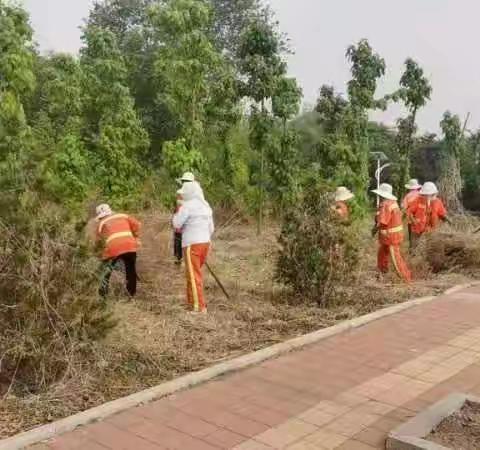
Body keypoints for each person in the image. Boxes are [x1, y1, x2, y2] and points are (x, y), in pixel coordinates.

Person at [172, 182, 214, 313]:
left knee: (194, 275)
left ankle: (198, 307)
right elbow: (211, 228)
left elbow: (176, 223)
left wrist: (178, 210)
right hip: (205, 243)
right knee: (192, 274)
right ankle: (191, 302)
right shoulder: (206, 206)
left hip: (192, 244)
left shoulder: (187, 206)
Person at [95, 204, 141, 298]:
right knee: (130, 270)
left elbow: (99, 242)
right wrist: (135, 236)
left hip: (113, 248)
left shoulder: (101, 224)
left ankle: (102, 296)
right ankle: (131, 295)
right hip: (130, 245)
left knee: (105, 272)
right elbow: (137, 225)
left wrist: (100, 255)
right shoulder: (123, 216)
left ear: (100, 216)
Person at [371, 183, 412, 282]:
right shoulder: (392, 203)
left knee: (396, 259)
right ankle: (381, 273)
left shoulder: (386, 205)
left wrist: (374, 230)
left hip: (391, 237)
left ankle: (406, 279)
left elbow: (382, 222)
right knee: (382, 254)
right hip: (389, 236)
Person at [402, 179, 422, 250]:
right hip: (421, 220)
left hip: (410, 220)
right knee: (419, 235)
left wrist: (402, 219)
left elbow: (404, 209)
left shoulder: (407, 196)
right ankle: (419, 249)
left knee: (411, 236)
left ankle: (411, 249)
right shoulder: (421, 195)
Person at [173, 189, 184, 265]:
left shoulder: (183, 205)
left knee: (179, 244)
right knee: (177, 244)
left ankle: (179, 259)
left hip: (181, 230)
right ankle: (178, 258)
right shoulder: (178, 205)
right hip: (178, 229)